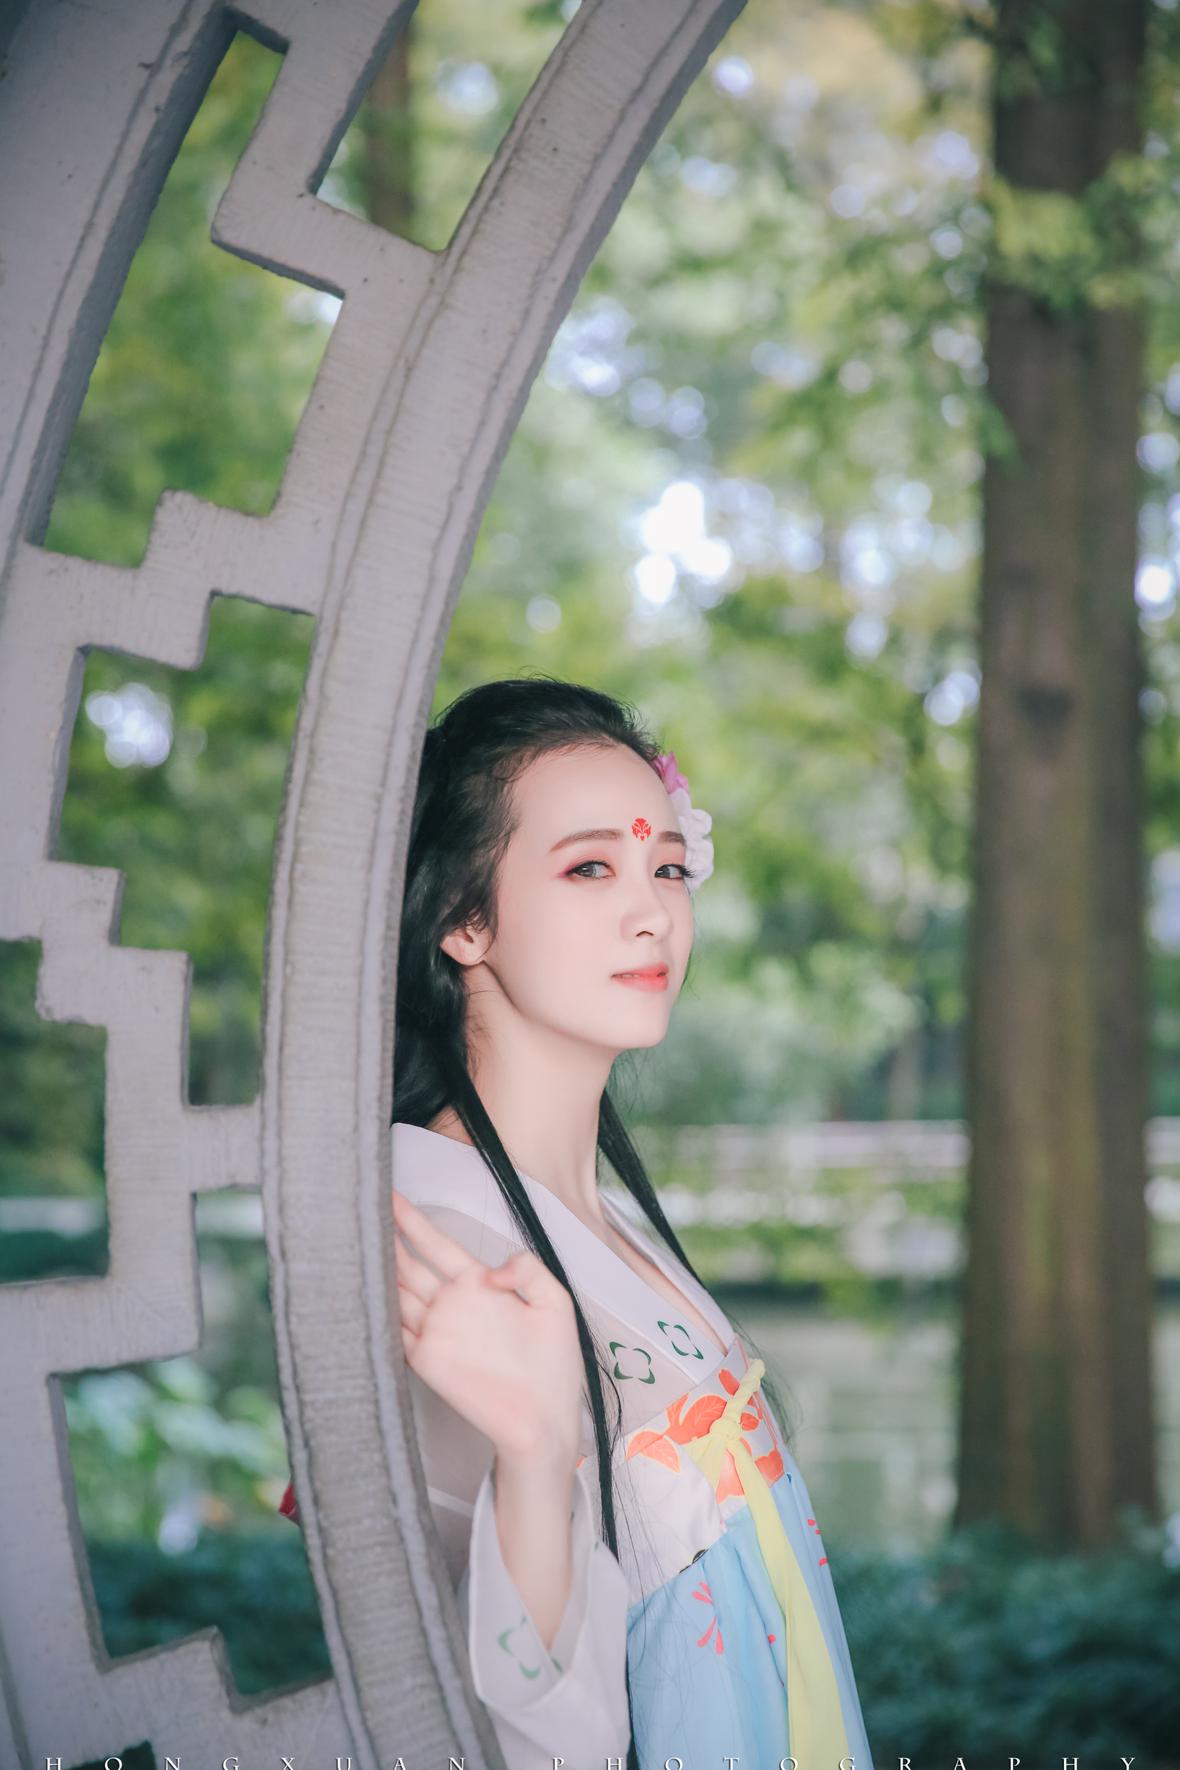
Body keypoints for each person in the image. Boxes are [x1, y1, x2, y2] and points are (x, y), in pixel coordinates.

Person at [280, 676, 874, 1770]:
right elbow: (483, 1733)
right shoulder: (432, 1244)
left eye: (668, 869)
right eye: (590, 867)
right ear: (462, 918)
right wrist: (537, 1451)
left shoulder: (611, 1229)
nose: (653, 913)